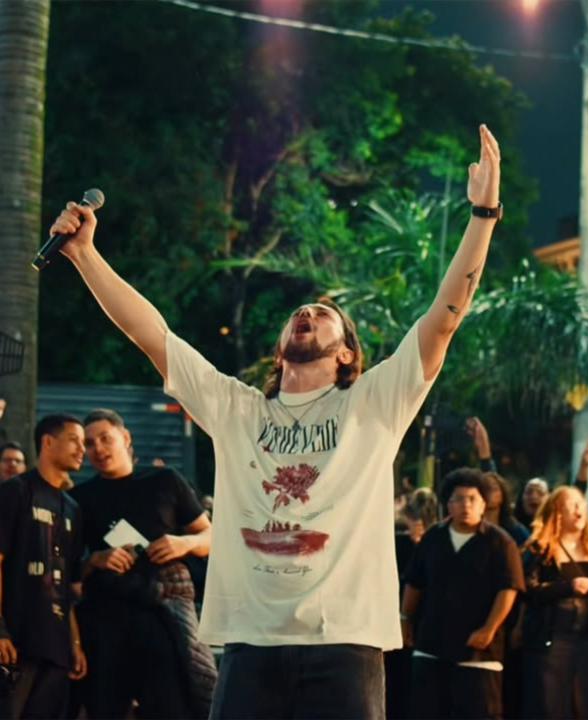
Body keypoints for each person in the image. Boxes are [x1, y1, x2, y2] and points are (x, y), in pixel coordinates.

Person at [51, 124, 504, 718]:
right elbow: (150, 334)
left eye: (323, 313)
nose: (307, 314)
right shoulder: (237, 408)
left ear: (347, 353)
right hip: (250, 643)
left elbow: (445, 316)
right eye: (301, 312)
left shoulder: (373, 402)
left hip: (344, 642)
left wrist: (483, 214)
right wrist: (85, 254)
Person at [69, 409, 215, 719]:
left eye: (105, 439)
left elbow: (211, 537)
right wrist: (94, 559)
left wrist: (183, 542)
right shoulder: (79, 498)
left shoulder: (165, 479)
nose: (99, 449)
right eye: (90, 443)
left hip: (160, 615)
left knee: (171, 708)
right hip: (104, 617)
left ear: (125, 437)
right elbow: (68, 571)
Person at [400, 469, 524, 719]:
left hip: (478, 650)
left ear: (483, 504)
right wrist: (404, 618)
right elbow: (415, 582)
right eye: (459, 499)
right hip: (432, 642)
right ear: (448, 504)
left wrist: (489, 628)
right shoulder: (433, 537)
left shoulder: (500, 542)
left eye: (473, 499)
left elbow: (508, 588)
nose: (466, 505)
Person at [0, 414, 88, 718]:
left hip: (57, 646)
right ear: (48, 442)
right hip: (16, 641)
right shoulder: (15, 492)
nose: (83, 449)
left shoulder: (73, 508)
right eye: (74, 440)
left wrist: (74, 643)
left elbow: (70, 587)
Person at [521, 486, 588, 719]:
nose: (578, 510)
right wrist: (568, 587)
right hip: (551, 640)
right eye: (571, 504)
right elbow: (528, 589)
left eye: (581, 503)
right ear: (557, 512)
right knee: (550, 707)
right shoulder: (540, 549)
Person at [479, 471, 530, 546]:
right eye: (485, 488)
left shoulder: (515, 529)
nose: (489, 492)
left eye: (494, 488)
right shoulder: (470, 528)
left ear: (502, 494)